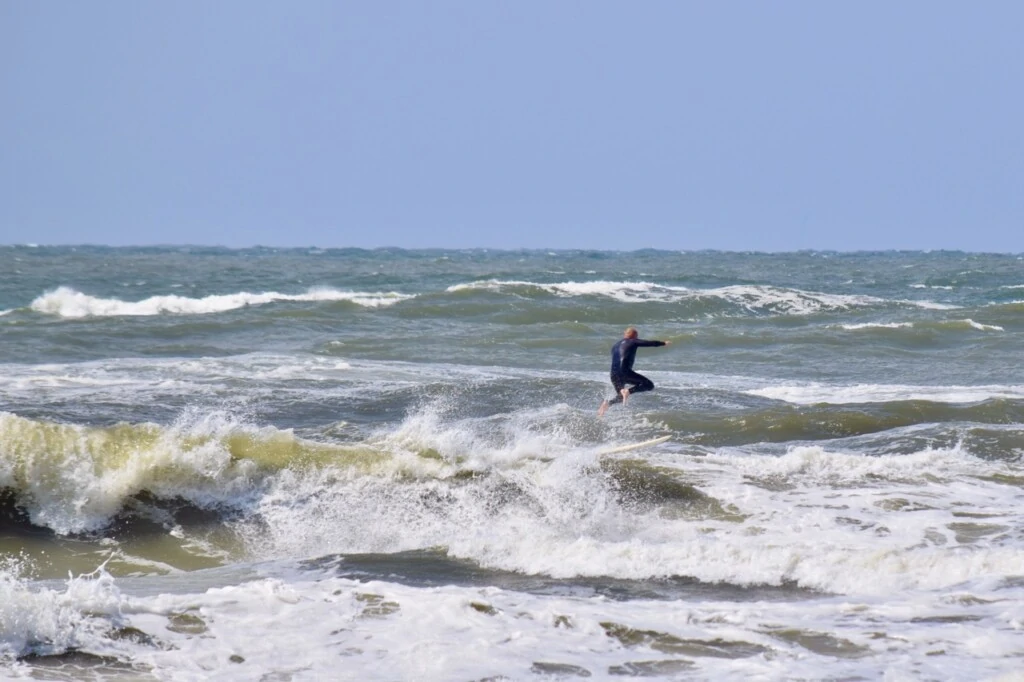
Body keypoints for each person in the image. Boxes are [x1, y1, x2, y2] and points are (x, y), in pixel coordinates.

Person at [597, 327, 670, 417]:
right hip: (624, 372)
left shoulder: (615, 346)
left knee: (621, 396)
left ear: (625, 334)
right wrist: (663, 343)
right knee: (649, 385)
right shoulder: (633, 341)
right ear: (635, 336)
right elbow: (649, 343)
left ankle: (608, 403)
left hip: (613, 375)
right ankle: (628, 391)